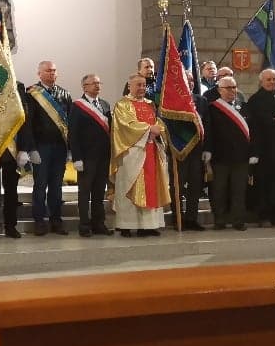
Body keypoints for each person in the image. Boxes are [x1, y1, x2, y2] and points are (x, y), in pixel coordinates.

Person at [110, 73, 170, 237]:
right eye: (138, 85)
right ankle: (126, 226)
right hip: (131, 153)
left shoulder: (150, 104)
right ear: (129, 86)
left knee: (151, 188)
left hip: (151, 151)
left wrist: (159, 129)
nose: (142, 88)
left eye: (144, 85)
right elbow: (126, 126)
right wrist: (149, 129)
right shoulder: (122, 104)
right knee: (128, 186)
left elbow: (157, 123)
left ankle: (148, 226)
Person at [26, 60, 73, 235]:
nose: (52, 73)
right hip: (41, 146)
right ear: (39, 73)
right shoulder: (32, 93)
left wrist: (70, 148)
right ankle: (39, 221)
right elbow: (28, 123)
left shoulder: (65, 93)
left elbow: (69, 122)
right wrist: (31, 148)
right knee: (40, 185)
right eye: (48, 71)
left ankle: (56, 221)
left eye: (54, 70)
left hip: (60, 147)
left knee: (56, 186)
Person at [204, 76, 256, 230]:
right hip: (220, 157)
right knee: (219, 190)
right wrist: (207, 150)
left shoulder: (244, 107)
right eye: (228, 88)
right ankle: (219, 220)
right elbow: (208, 131)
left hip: (241, 157)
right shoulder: (212, 108)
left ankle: (238, 221)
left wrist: (254, 152)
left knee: (239, 191)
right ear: (220, 90)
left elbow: (254, 131)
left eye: (234, 87)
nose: (232, 90)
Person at [0, 80, 35, 239]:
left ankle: (10, 226)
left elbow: (24, 119)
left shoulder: (17, 85)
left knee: (11, 191)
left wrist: (24, 148)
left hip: (12, 149)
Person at [69, 74, 114, 237]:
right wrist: (76, 158)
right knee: (84, 193)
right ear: (84, 87)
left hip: (103, 156)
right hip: (86, 157)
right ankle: (84, 225)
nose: (97, 86)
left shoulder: (105, 104)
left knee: (99, 192)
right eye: (93, 83)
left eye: (99, 83)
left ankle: (98, 224)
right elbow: (73, 134)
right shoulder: (77, 106)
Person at [245, 68, 275, 225]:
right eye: (268, 79)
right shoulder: (255, 100)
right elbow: (254, 124)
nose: (272, 82)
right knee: (264, 182)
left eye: (274, 79)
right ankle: (263, 215)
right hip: (264, 148)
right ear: (261, 81)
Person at [172, 69, 210, 230]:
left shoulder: (201, 100)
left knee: (195, 186)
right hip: (178, 150)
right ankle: (177, 218)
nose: (190, 83)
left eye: (192, 80)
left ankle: (192, 219)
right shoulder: (171, 101)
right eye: (186, 80)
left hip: (196, 150)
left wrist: (207, 148)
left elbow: (207, 125)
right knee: (178, 186)